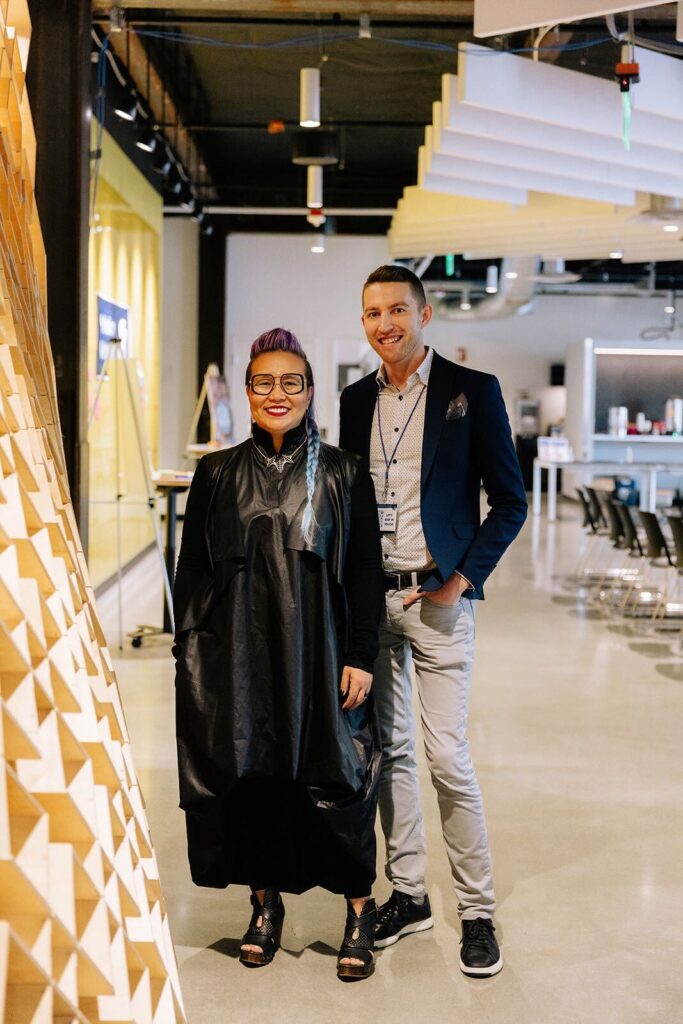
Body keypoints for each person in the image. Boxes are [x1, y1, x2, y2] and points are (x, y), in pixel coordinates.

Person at [173, 328, 384, 981]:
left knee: (338, 779)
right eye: (263, 382)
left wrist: (360, 656)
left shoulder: (344, 474)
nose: (276, 394)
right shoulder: (215, 472)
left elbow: (365, 575)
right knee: (252, 777)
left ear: (310, 391)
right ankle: (263, 908)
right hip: (236, 659)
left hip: (320, 660)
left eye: (290, 381)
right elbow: (192, 576)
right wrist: (191, 656)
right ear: (246, 391)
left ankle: (359, 911)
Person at [339, 265, 527, 978]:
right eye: (370, 313)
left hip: (436, 601)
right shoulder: (356, 400)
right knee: (388, 754)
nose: (383, 323)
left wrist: (462, 578)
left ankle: (475, 911)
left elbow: (508, 500)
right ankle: (409, 893)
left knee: (446, 756)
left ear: (423, 315)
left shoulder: (470, 393)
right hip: (371, 602)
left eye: (396, 310)